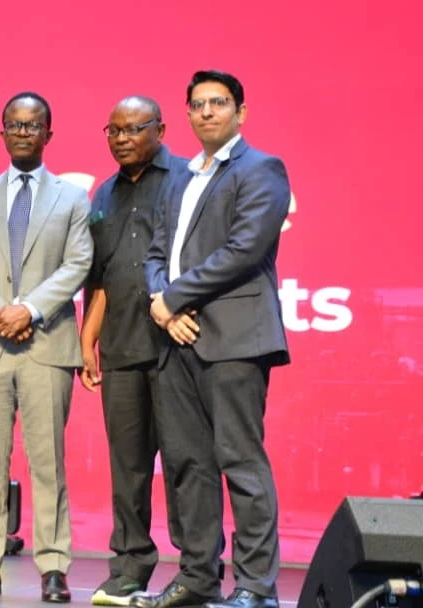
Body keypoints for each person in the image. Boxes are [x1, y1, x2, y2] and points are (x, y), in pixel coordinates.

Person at [137, 70, 290, 608]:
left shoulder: (261, 169)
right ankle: (198, 578)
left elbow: (245, 249)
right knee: (186, 466)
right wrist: (161, 306)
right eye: (198, 104)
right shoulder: (180, 176)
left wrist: (174, 298)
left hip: (234, 338)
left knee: (240, 463)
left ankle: (255, 586)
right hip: (175, 339)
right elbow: (156, 252)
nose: (207, 112)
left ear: (240, 113)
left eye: (218, 103)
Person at [0, 92, 92, 603]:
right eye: (14, 124)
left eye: (33, 125)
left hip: (46, 343)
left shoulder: (73, 198)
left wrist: (27, 309)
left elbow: (77, 264)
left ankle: (53, 566)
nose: (23, 132)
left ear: (49, 133)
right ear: (3, 131)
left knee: (48, 462)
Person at [79, 96, 187, 606]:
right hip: (120, 348)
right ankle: (129, 566)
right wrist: (87, 342)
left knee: (187, 464)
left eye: (133, 129)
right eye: (113, 130)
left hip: (177, 350)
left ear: (161, 129)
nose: (121, 138)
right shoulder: (104, 194)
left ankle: (195, 571)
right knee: (129, 468)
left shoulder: (188, 180)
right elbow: (99, 276)